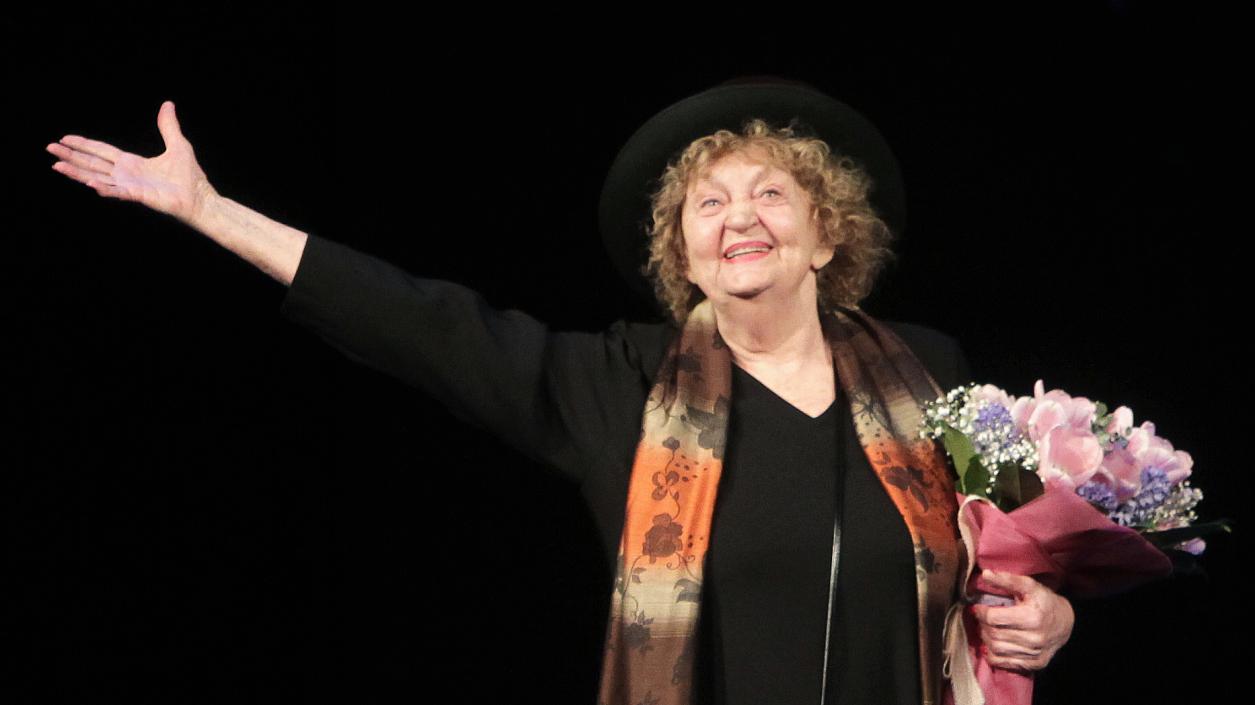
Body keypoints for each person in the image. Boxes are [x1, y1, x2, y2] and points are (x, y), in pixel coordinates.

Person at [46, 79, 1074, 705]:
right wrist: (212, 212)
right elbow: (422, 323)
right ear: (685, 255)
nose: (739, 216)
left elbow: (1016, 564)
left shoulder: (929, 373)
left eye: (771, 193)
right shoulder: (621, 383)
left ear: (825, 235)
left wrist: (1053, 616)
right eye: (708, 203)